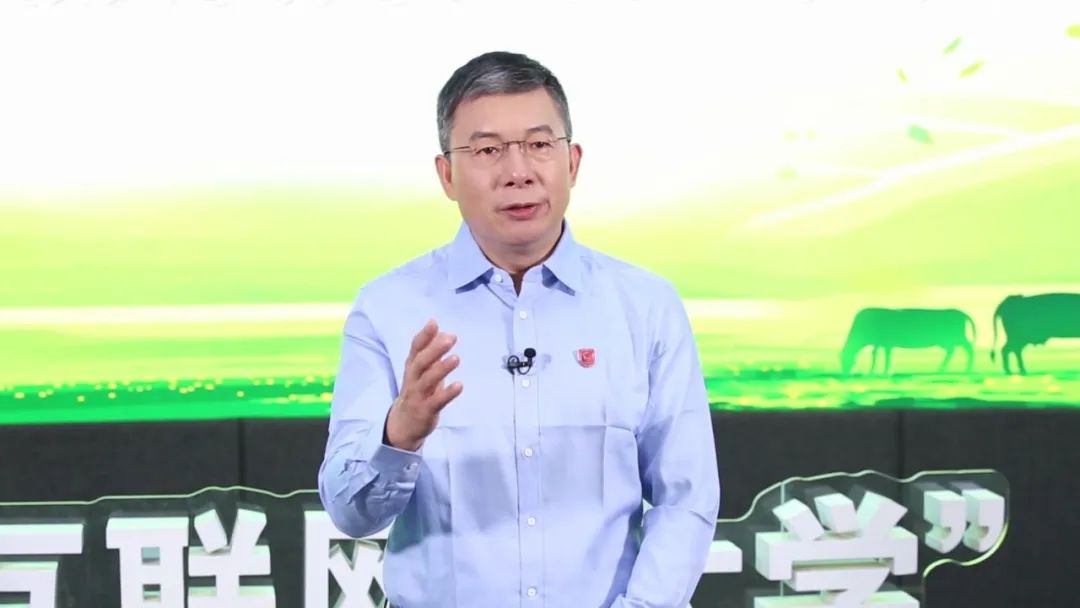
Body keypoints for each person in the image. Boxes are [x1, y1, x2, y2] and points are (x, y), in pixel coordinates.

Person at [318, 50, 720, 608]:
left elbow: (686, 499)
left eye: (538, 145)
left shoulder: (645, 307)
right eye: (487, 150)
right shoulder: (389, 308)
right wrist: (398, 435)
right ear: (446, 175)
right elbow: (349, 513)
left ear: (572, 162)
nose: (518, 171)